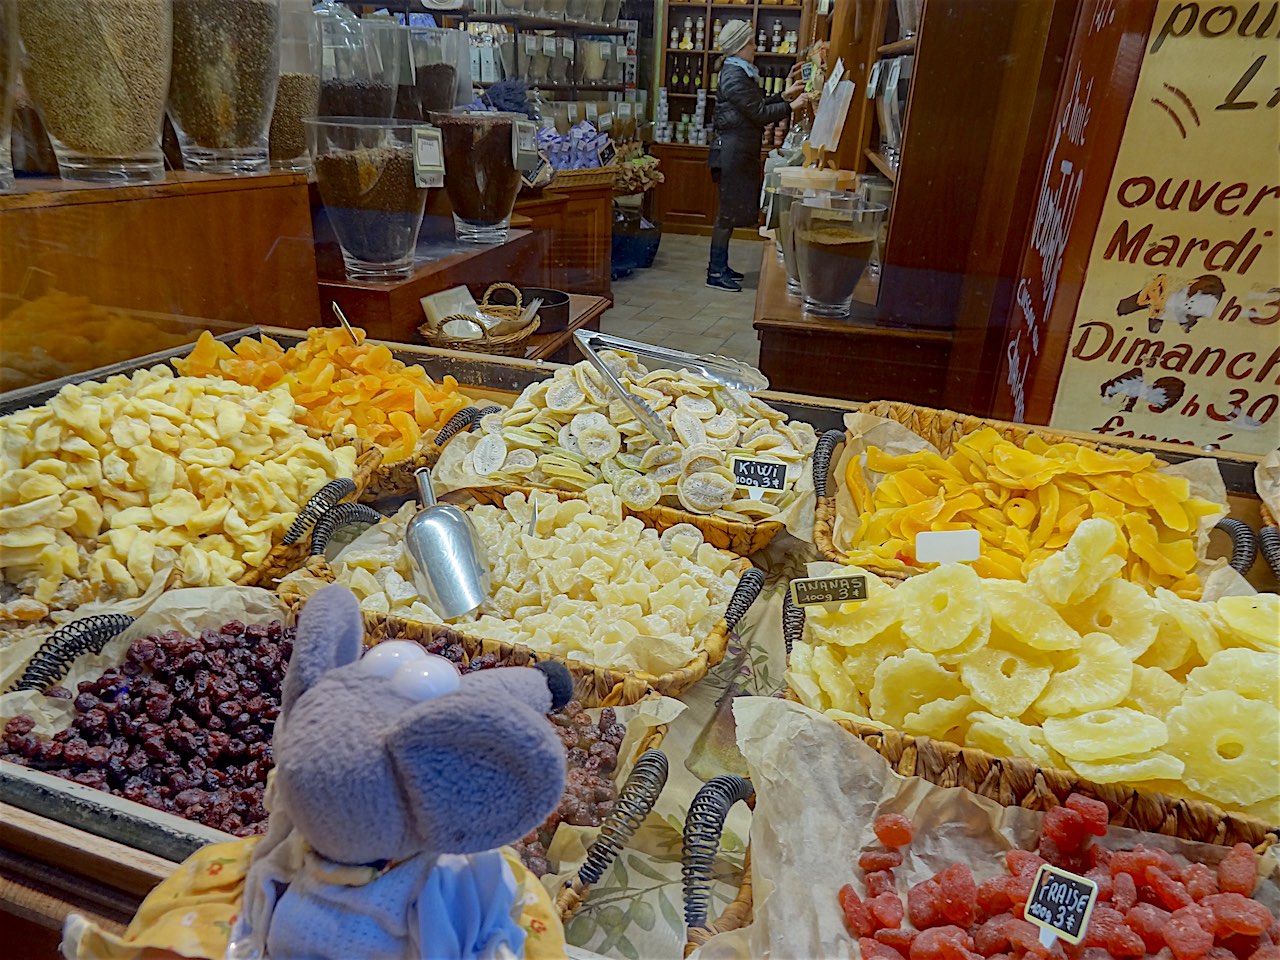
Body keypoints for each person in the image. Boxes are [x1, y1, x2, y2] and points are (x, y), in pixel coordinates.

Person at [707, 20, 809, 292]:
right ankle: (715, 273)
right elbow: (761, 115)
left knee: (727, 214)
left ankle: (721, 267)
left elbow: (758, 105)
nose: (755, 47)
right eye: (751, 43)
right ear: (740, 47)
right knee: (726, 216)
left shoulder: (740, 73)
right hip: (732, 153)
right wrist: (791, 105)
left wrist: (784, 95)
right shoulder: (734, 76)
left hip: (736, 151)